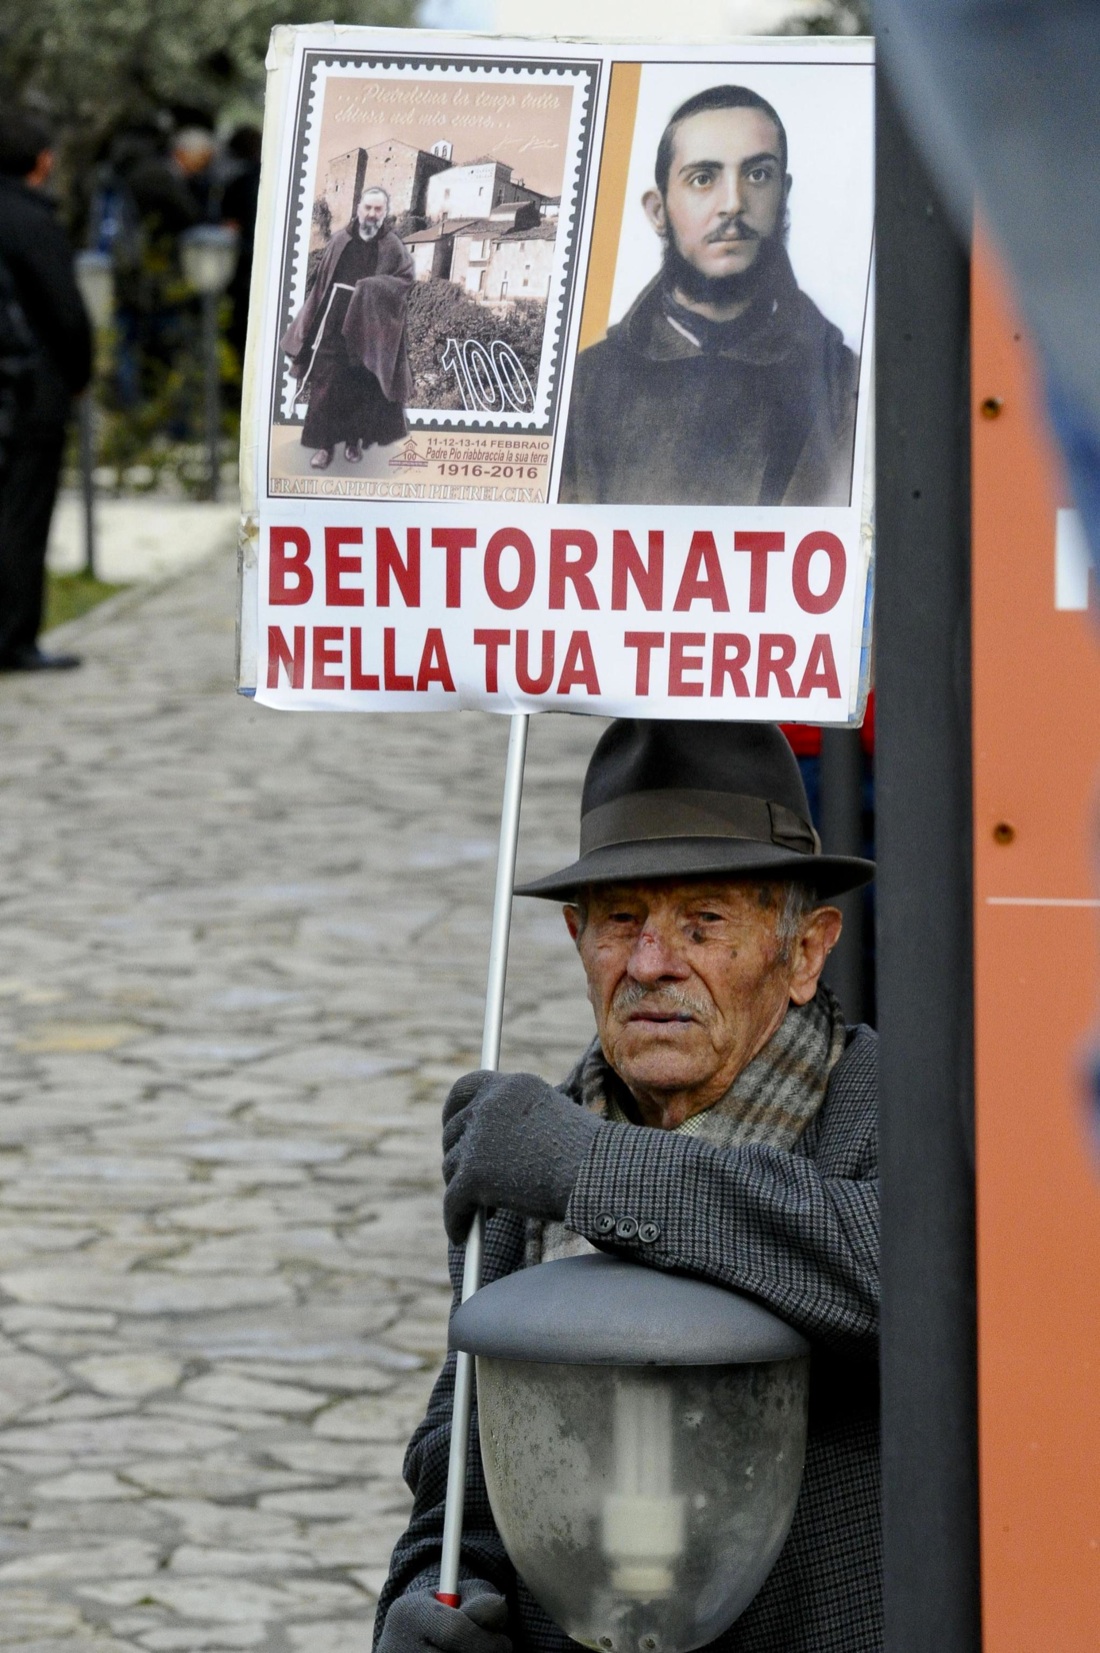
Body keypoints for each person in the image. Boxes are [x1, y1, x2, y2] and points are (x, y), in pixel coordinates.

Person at [374, 720, 879, 1653]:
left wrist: (589, 1170)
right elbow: (464, 1475)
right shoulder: (529, 1155)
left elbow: (892, 1277)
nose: (650, 963)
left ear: (805, 952)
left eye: (704, 921)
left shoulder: (891, 1113)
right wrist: (429, 1597)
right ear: (578, 939)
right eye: (619, 920)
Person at [559, 86, 859, 507]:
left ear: (783, 195)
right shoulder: (583, 388)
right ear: (658, 211)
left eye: (758, 175)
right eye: (703, 178)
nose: (734, 203)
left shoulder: (841, 381)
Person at [0, 110, 91, 673]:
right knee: (22, 514)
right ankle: (12, 637)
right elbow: (64, 312)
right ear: (42, 163)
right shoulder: (33, 221)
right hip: (27, 391)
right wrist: (79, 375)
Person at [281, 185, 413, 471]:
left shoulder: (392, 246)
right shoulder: (340, 239)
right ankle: (324, 448)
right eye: (368, 208)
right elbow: (321, 282)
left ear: (385, 213)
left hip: (367, 327)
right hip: (333, 320)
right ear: (359, 209)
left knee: (360, 384)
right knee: (325, 385)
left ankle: (354, 442)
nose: (372, 214)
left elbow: (404, 281)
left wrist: (370, 287)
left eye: (378, 209)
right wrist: (309, 323)